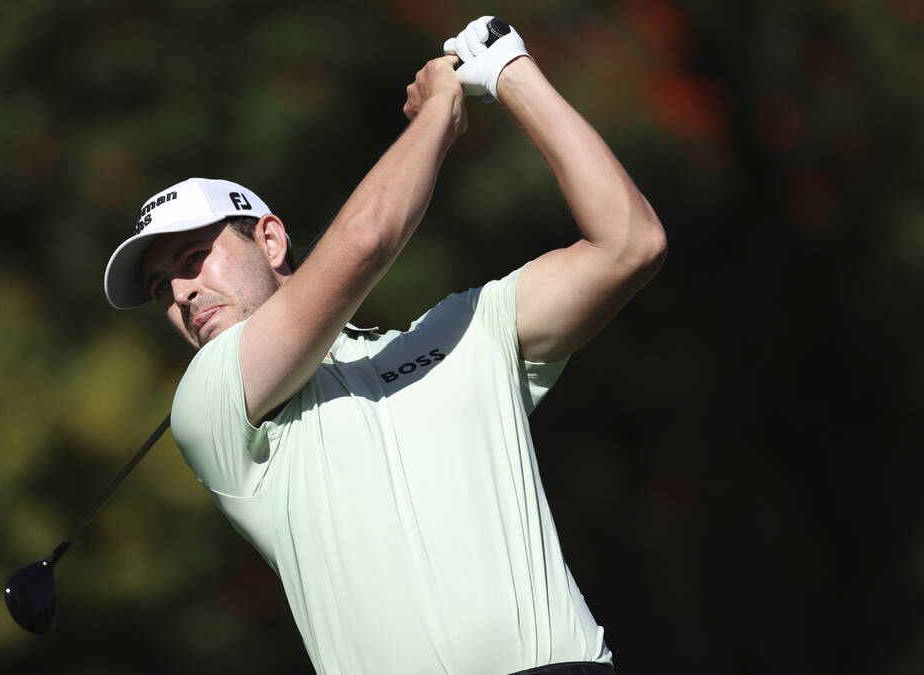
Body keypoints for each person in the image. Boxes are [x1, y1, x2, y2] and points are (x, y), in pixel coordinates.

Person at [103, 16, 665, 675]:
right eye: (161, 286)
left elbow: (630, 244)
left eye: (194, 257)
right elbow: (366, 241)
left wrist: (508, 70)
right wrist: (439, 113)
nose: (181, 292)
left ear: (273, 241)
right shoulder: (209, 406)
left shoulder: (461, 331)